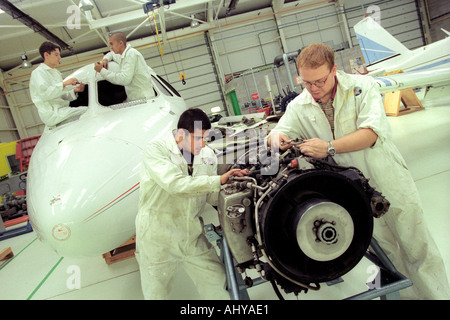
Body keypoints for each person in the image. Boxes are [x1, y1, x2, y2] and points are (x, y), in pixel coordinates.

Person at [268, 43, 450, 300]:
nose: (313, 88)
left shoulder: (362, 88)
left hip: (387, 179)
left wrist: (328, 148)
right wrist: (276, 139)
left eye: (319, 81)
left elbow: (370, 134)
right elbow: (278, 131)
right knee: (383, 255)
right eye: (306, 83)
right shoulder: (300, 105)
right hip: (352, 194)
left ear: (334, 70)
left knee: (418, 247)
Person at [135, 108, 248, 300]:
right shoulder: (156, 150)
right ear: (181, 134)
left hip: (190, 234)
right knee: (157, 293)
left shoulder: (207, 154)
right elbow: (175, 184)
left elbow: (210, 196)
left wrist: (233, 187)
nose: (202, 144)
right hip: (157, 236)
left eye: (205, 138)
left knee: (216, 283)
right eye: (197, 138)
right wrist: (218, 180)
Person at [29, 41, 87, 127]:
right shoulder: (38, 73)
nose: (59, 58)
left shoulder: (56, 73)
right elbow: (45, 95)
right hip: (53, 113)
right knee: (88, 110)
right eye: (56, 55)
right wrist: (64, 84)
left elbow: (62, 96)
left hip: (63, 108)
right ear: (46, 55)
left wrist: (75, 91)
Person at [94, 32, 155, 101]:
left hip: (143, 98)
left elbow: (124, 79)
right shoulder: (123, 55)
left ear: (120, 43)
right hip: (135, 97)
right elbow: (111, 54)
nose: (110, 47)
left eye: (112, 44)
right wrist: (105, 59)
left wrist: (102, 71)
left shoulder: (131, 54)